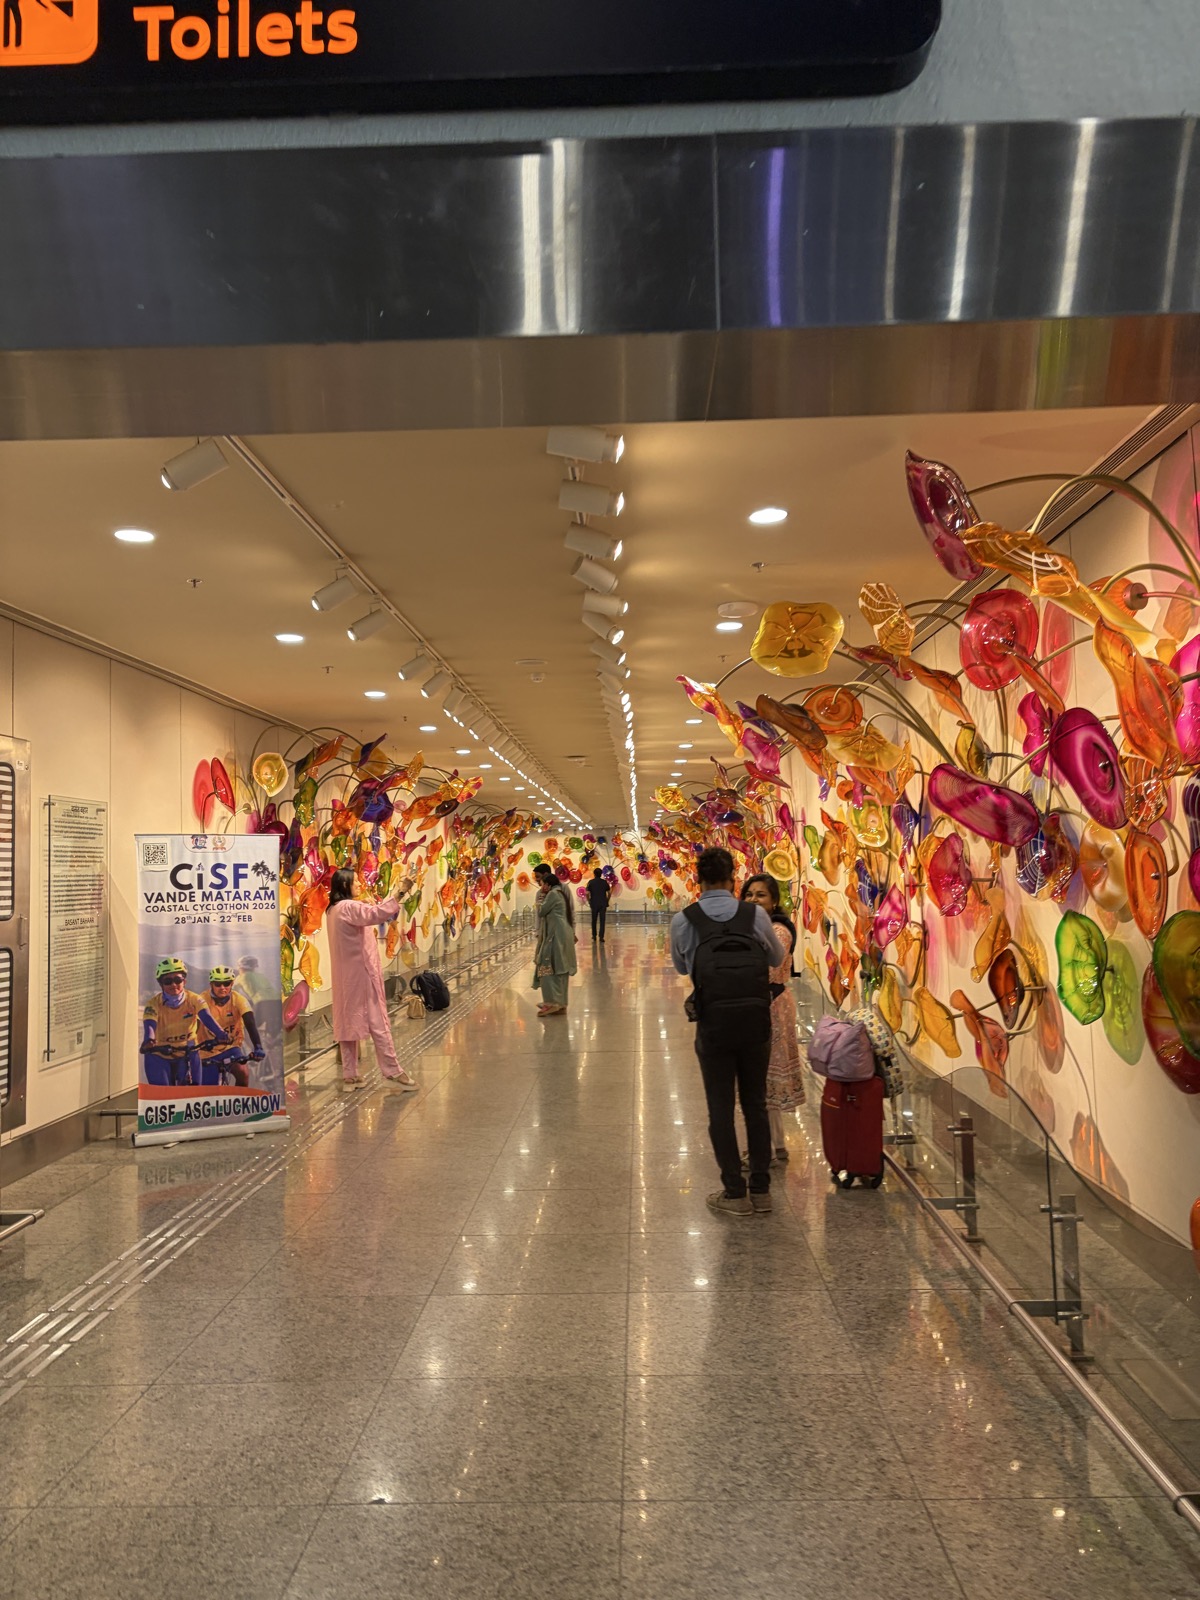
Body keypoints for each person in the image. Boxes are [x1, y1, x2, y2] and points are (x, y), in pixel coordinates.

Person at [670, 847, 785, 1217]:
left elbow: (681, 966)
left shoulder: (684, 920)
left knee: (719, 1109)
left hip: (713, 1023)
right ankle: (762, 1191)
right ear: (733, 879)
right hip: (755, 1021)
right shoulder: (755, 915)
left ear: (698, 880)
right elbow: (777, 958)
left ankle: (734, 1192)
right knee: (755, 1104)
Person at [326, 867, 418, 1090]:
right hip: (362, 975)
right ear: (345, 885)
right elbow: (377, 914)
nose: (360, 884)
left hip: (345, 977)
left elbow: (367, 913)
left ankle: (350, 1074)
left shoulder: (333, 910)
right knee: (378, 1021)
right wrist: (401, 891)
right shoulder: (350, 907)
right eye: (355, 881)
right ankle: (392, 1070)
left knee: (347, 1021)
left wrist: (366, 903)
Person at [740, 874, 806, 1162]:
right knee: (761, 1077)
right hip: (759, 1004)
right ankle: (776, 1144)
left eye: (761, 895)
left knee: (762, 1077)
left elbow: (765, 969)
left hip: (771, 1007)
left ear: (774, 900)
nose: (753, 899)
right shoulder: (754, 926)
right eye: (749, 894)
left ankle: (764, 1147)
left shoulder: (778, 930)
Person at [141, 957, 229, 1088]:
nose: (173, 985)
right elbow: (150, 1024)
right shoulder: (153, 1004)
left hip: (188, 1052)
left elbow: (206, 1017)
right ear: (161, 984)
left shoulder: (195, 999)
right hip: (159, 1054)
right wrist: (149, 1040)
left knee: (194, 1093)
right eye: (168, 981)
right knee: (161, 1094)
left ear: (184, 981)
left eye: (178, 980)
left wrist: (220, 1033)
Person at [197, 965, 266, 1087]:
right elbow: (195, 1024)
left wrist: (258, 1046)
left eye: (226, 983)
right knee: (210, 1088)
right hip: (206, 1051)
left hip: (231, 1047)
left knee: (243, 1073)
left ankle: (240, 1098)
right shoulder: (202, 999)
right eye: (218, 984)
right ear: (211, 984)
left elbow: (250, 1022)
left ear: (232, 984)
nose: (222, 987)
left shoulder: (238, 999)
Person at [532, 862, 577, 1015]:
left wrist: (541, 898)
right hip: (558, 933)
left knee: (548, 967)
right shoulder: (559, 891)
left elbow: (541, 911)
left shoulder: (552, 893)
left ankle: (551, 1002)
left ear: (547, 879)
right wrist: (538, 932)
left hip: (555, 935)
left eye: (540, 879)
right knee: (560, 968)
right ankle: (560, 1002)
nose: (539, 882)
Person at [586, 868, 611, 943]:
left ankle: (594, 935)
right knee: (602, 920)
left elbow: (587, 893)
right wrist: (607, 900)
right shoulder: (604, 882)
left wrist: (589, 900)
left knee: (594, 920)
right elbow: (609, 893)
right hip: (602, 903)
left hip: (594, 903)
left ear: (594, 874)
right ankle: (601, 937)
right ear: (601, 874)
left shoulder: (591, 882)